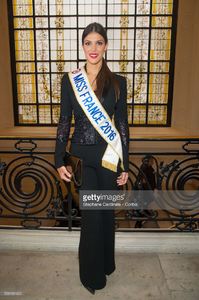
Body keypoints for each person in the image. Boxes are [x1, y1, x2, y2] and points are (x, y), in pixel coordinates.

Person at [54, 22, 129, 294]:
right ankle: (92, 275)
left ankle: (107, 264)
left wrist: (125, 164)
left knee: (106, 215)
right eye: (88, 43)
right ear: (82, 46)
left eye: (99, 42)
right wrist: (58, 158)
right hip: (83, 159)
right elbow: (64, 121)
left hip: (109, 159)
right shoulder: (70, 80)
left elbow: (121, 125)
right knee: (92, 217)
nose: (93, 48)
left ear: (106, 46)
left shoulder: (119, 82)